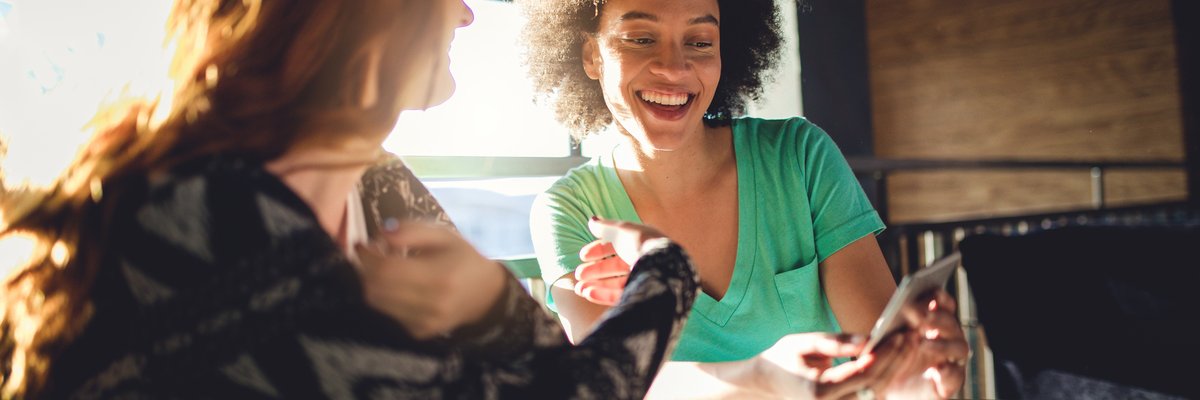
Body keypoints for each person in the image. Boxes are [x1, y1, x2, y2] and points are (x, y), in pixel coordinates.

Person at [0, 0, 702, 398]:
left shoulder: (377, 181)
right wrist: (666, 265)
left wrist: (491, 307)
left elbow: (550, 367)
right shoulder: (207, 217)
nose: (464, 15)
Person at [522, 0, 970, 398]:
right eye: (641, 38)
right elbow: (615, 385)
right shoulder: (569, 210)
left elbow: (885, 368)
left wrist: (918, 381)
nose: (675, 68)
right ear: (591, 54)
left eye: (699, 41)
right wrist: (759, 377)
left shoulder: (799, 156)